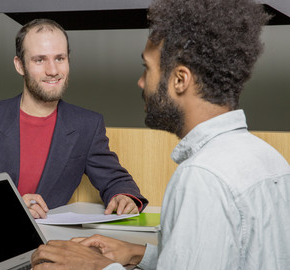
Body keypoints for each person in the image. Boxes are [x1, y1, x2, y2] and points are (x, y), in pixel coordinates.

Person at [31, 0, 290, 269]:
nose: (141, 82)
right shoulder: (271, 159)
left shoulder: (202, 176)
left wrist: (96, 266)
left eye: (147, 68)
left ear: (180, 79)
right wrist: (138, 254)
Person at [0, 19, 148, 218]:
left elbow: (117, 180)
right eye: (40, 60)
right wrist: (9, 207)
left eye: (60, 58)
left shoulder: (87, 125)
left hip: (54, 244)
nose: (53, 71)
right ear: (19, 65)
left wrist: (123, 196)